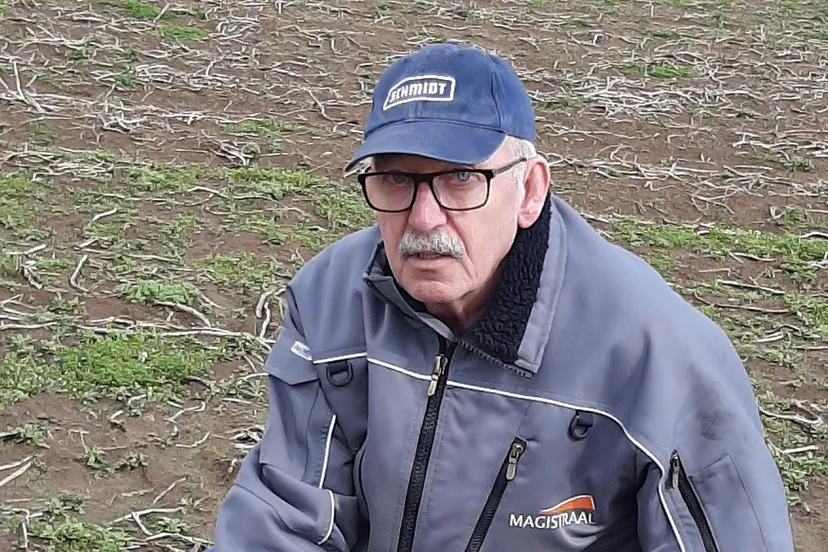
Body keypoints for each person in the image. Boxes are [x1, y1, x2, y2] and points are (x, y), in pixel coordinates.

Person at [209, 42, 794, 552]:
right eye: (395, 179)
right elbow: (286, 519)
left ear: (529, 190)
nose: (424, 218)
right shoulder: (331, 299)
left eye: (460, 178)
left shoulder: (658, 353)